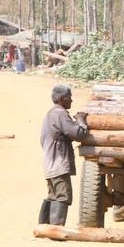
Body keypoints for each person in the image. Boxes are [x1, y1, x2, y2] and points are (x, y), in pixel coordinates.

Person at [40, 84, 89, 226]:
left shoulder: (50, 114)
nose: (71, 100)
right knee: (63, 196)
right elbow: (79, 134)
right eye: (69, 97)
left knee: (53, 195)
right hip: (59, 164)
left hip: (50, 164)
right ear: (62, 98)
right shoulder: (60, 114)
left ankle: (44, 227)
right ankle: (56, 229)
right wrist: (81, 120)